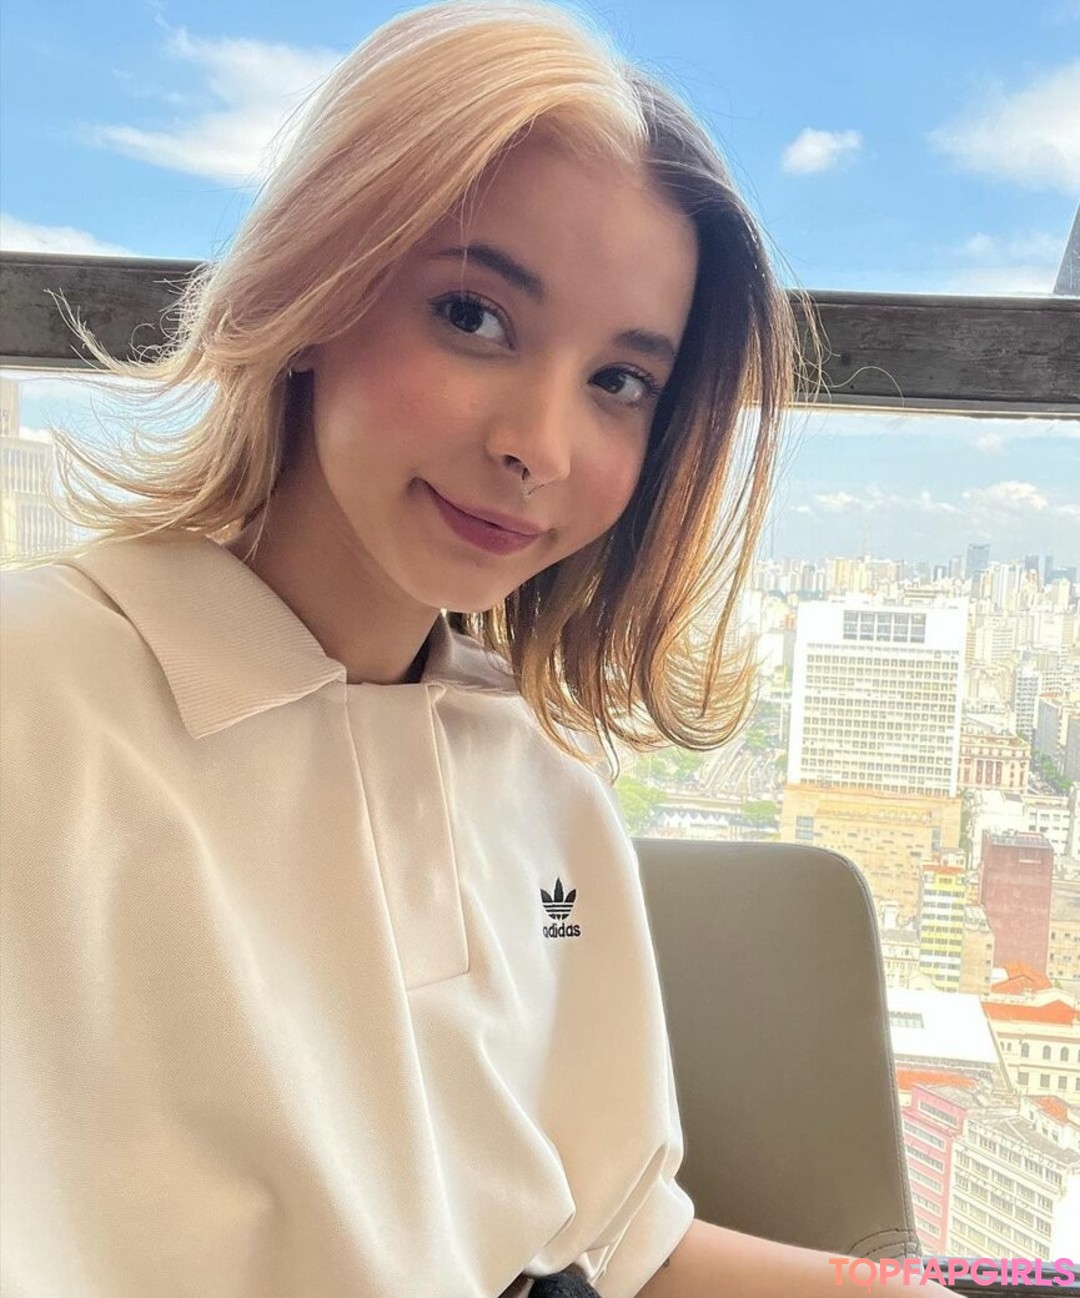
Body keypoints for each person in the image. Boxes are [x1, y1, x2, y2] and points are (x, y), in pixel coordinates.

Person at [0, 2, 949, 1295]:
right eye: (473, 314)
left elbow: (618, 1242)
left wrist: (891, 1287)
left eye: (621, 381)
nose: (539, 446)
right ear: (313, 284)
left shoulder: (545, 784)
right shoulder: (37, 700)